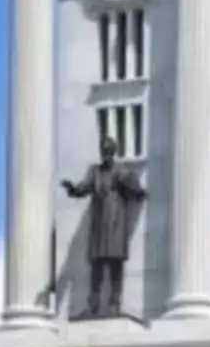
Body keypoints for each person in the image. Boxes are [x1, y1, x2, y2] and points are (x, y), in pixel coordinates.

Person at [61, 126, 149, 319]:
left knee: (116, 265)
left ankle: (114, 304)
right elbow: (83, 188)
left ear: (113, 152)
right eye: (103, 151)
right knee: (97, 267)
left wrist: (139, 191)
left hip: (116, 225)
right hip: (99, 226)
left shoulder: (121, 172)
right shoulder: (95, 172)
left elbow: (135, 189)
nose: (105, 155)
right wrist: (72, 189)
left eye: (108, 151)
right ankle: (93, 305)